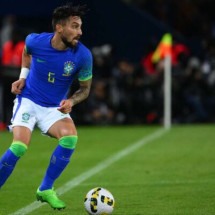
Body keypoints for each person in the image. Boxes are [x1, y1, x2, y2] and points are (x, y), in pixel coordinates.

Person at [0, 3, 93, 210]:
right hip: (29, 101)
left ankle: (45, 189)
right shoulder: (35, 41)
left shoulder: (83, 55)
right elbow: (26, 52)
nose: (80, 32)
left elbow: (85, 89)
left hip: (54, 108)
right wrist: (22, 77)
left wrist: (71, 101)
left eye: (80, 27)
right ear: (60, 28)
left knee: (70, 139)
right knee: (19, 147)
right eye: (75, 26)